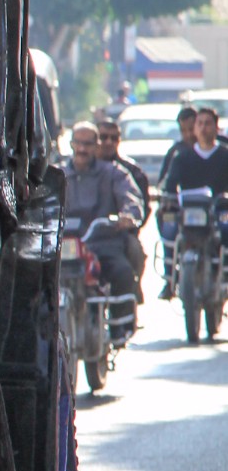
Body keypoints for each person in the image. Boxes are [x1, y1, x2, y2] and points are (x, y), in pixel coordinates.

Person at [64, 120, 143, 337]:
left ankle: (119, 328)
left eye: (88, 144)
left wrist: (129, 215)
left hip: (103, 242)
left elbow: (131, 197)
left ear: (96, 146)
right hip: (66, 247)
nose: (82, 149)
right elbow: (43, 199)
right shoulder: (58, 174)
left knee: (123, 273)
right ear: (71, 144)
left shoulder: (113, 173)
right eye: (78, 143)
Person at [94, 114, 150, 299]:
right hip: (83, 236)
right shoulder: (79, 167)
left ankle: (130, 295)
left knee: (134, 251)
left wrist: (129, 219)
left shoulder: (129, 172)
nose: (108, 142)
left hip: (117, 235)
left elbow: (138, 203)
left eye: (113, 138)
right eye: (103, 137)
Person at [160, 103, 228, 196]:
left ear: (216, 128)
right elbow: (168, 189)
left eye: (207, 124)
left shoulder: (224, 154)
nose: (203, 128)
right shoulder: (180, 157)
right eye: (200, 124)